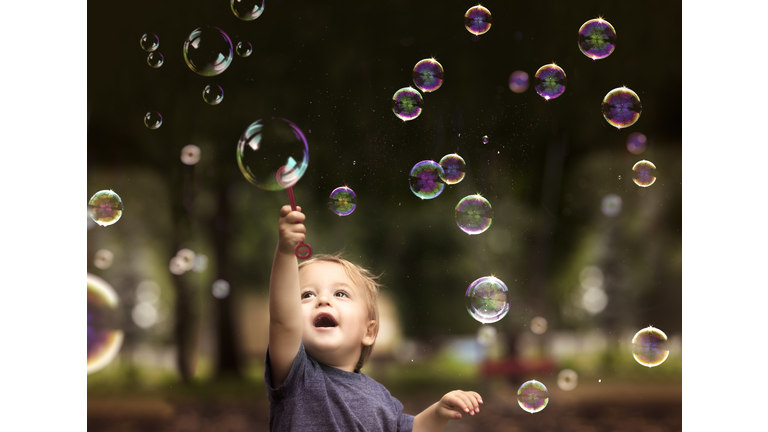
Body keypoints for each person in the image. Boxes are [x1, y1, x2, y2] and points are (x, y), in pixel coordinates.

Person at [265, 205, 484, 432]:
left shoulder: (381, 397)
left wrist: (438, 412)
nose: (323, 300)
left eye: (340, 294)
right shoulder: (297, 377)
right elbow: (283, 322)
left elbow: (411, 429)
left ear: (368, 332)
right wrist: (286, 251)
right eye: (306, 295)